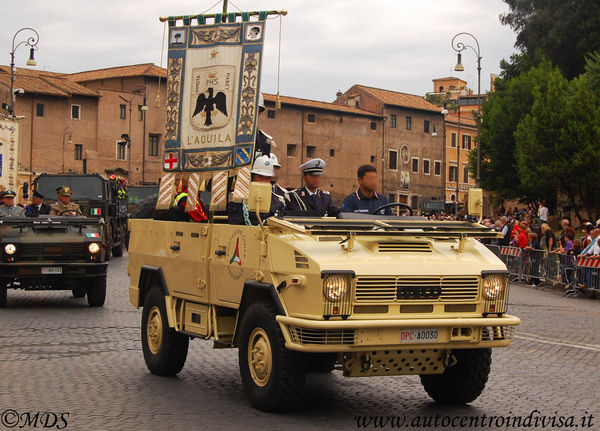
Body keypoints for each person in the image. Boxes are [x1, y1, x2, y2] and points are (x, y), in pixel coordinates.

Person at [227, 155, 285, 225]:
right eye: (260, 176)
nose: (263, 180)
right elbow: (235, 224)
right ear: (253, 176)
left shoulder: (278, 202)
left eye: (267, 178)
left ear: (270, 179)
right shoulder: (238, 198)